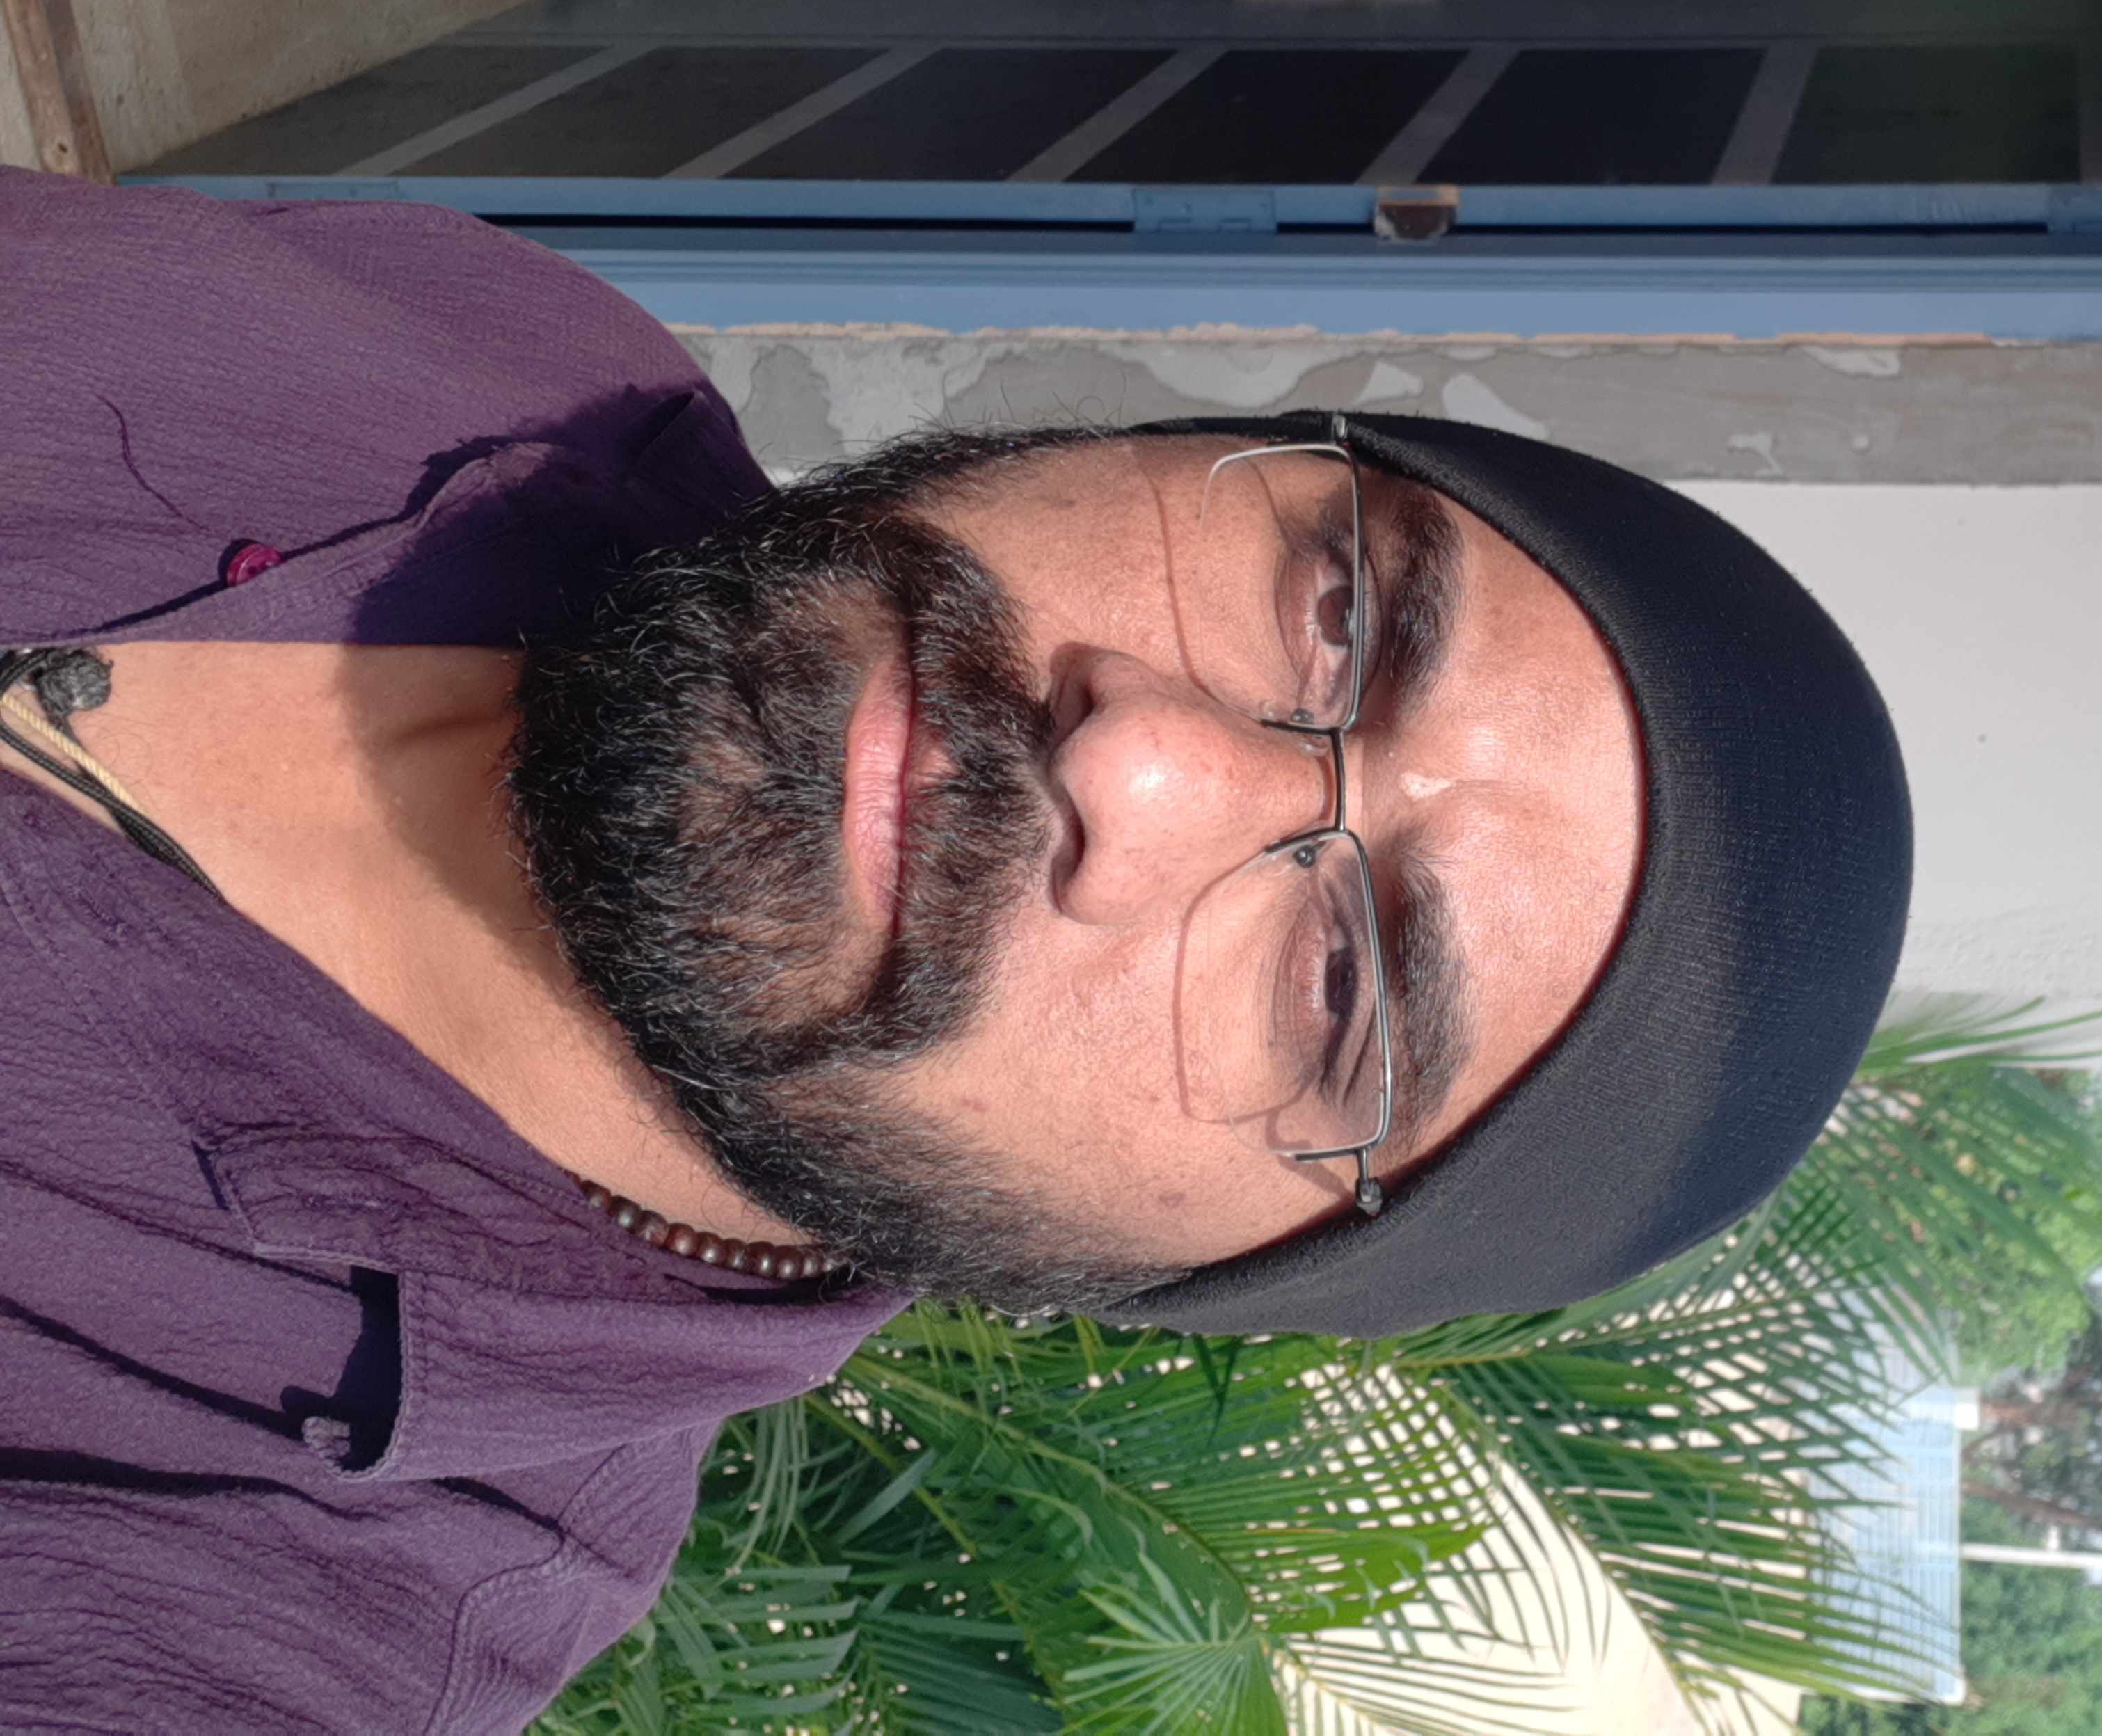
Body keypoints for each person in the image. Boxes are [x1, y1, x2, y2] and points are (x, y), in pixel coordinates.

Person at [0, 168, 1912, 1730]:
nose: (1141, 759)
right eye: (1336, 611)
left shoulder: (282, 1598)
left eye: (1340, 987)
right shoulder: (519, 359)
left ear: (1198, 1270)